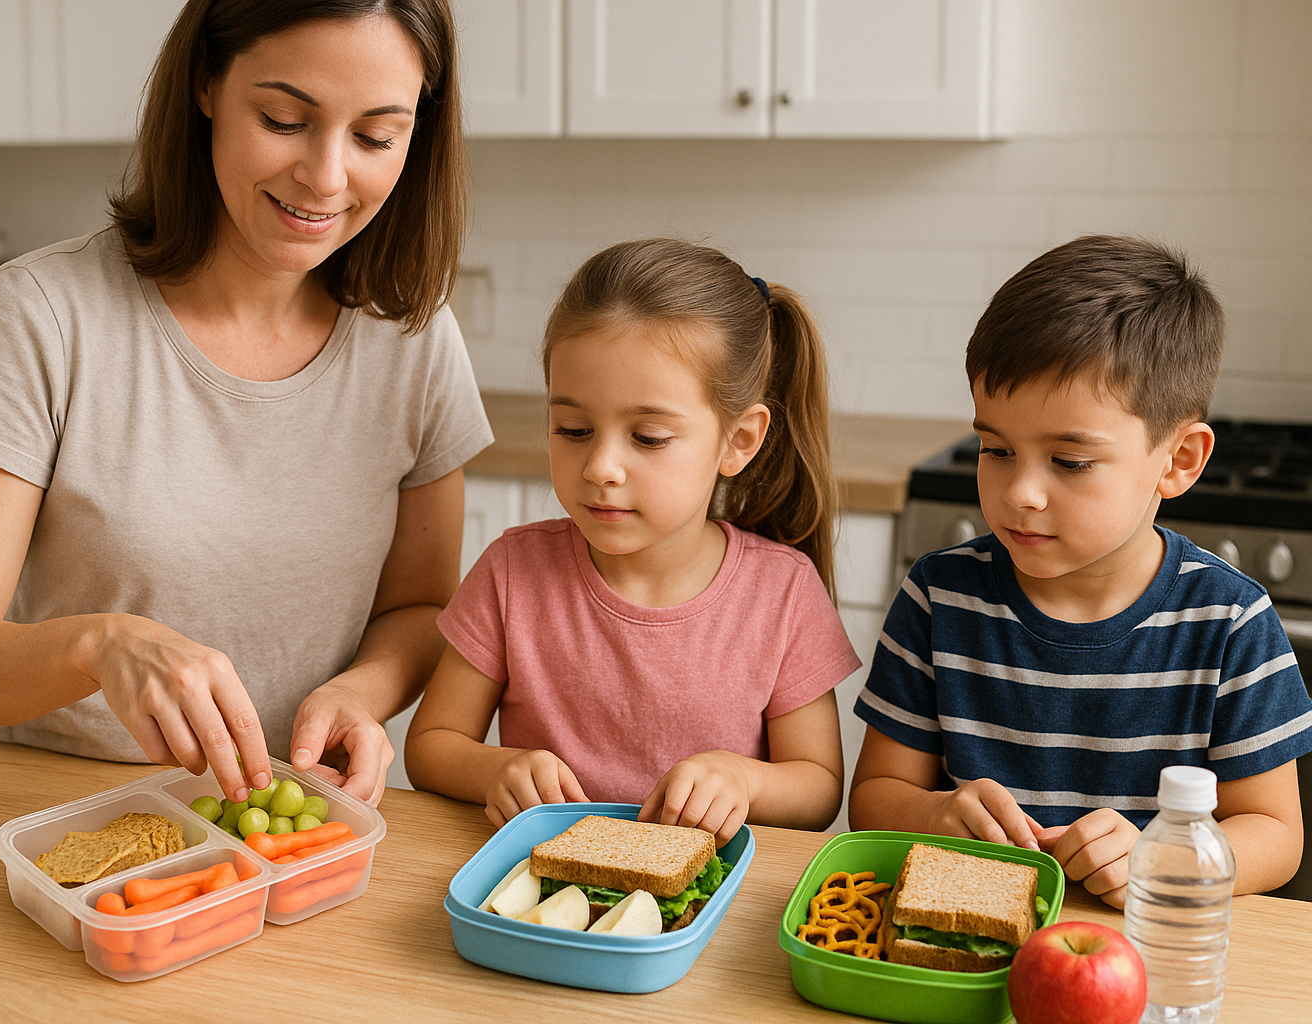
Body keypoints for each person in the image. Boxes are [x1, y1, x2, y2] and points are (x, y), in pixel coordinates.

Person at [0, 0, 492, 808]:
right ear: (206, 81)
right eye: (283, 118)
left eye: (376, 136)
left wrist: (362, 691)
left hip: (283, 824)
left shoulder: (414, 338)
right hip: (52, 813)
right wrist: (98, 645)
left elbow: (422, 605)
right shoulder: (45, 312)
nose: (326, 175)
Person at [849, 235, 1312, 905]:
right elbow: (876, 798)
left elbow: (1275, 834)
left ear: (1178, 460)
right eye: (996, 449)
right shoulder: (938, 597)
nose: (1020, 493)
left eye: (1068, 462)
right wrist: (934, 816)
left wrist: (1163, 858)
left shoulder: (1229, 622)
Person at [405, 238, 860, 844]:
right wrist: (496, 769)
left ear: (738, 442)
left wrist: (742, 781)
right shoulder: (512, 571)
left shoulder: (784, 591)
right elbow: (431, 746)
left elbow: (820, 787)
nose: (600, 467)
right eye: (573, 429)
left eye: (647, 437)